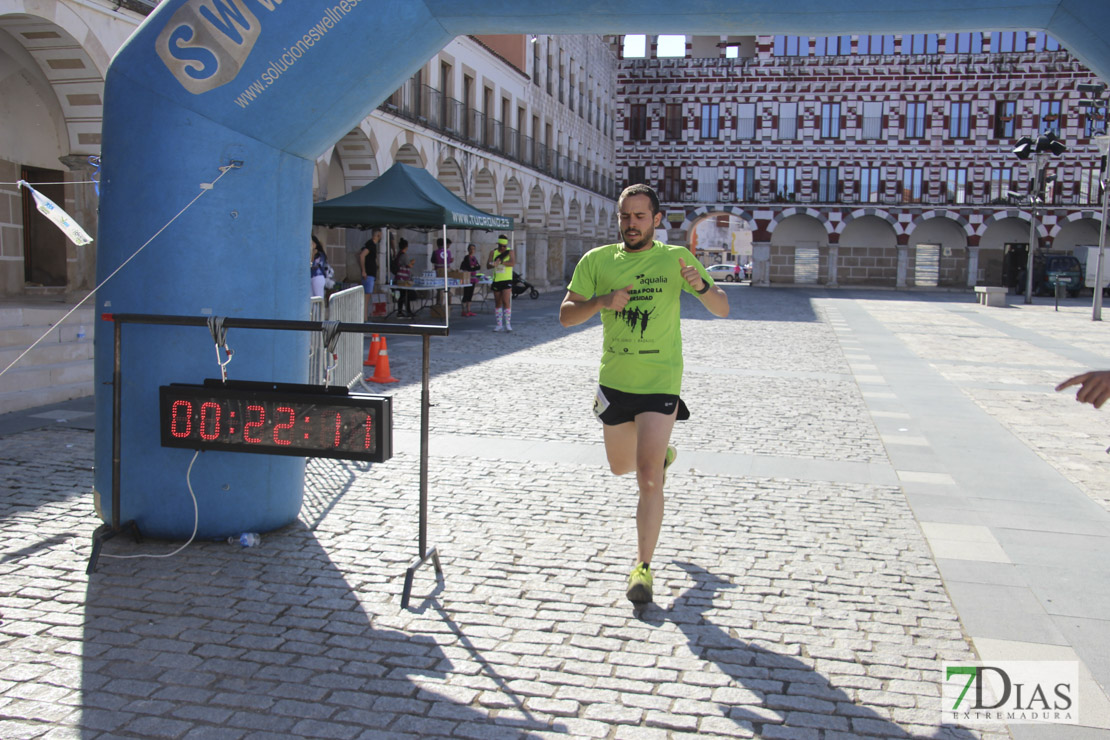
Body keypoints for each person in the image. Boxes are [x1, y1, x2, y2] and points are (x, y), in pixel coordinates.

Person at [559, 183, 729, 605]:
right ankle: (663, 454)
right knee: (622, 468)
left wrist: (702, 286)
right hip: (615, 380)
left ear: (656, 219)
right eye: (624, 216)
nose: (630, 224)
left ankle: (642, 568)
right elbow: (565, 316)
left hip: (660, 380)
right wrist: (601, 301)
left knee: (648, 477)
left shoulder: (676, 259)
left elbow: (723, 307)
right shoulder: (596, 261)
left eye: (639, 217)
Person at [487, 234, 514, 331]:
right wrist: (493, 264)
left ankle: (508, 324)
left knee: (506, 301)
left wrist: (501, 262)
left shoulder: (510, 252)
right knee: (497, 302)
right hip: (497, 279)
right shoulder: (492, 252)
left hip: (506, 279)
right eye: (500, 246)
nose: (502, 248)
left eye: (504, 246)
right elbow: (488, 265)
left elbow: (512, 263)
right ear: (498, 244)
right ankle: (499, 324)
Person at [359, 228, 381, 320]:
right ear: (378, 235)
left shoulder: (370, 244)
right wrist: (363, 270)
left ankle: (365, 317)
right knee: (366, 298)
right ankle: (364, 319)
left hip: (370, 274)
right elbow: (361, 255)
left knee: (367, 297)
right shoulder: (371, 245)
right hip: (368, 274)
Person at [391, 238, 416, 318]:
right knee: (405, 295)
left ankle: (401, 311)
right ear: (406, 247)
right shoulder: (404, 255)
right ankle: (406, 311)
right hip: (403, 278)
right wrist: (412, 262)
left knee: (402, 295)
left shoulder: (398, 255)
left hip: (399, 278)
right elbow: (409, 265)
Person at [459, 243, 482, 317]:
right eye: (471, 249)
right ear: (468, 250)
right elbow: (469, 267)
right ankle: (463, 310)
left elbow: (478, 267)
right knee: (466, 294)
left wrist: (474, 267)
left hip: (473, 278)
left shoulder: (474, 258)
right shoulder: (467, 258)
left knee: (470, 295)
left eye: (473, 249)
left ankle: (469, 310)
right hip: (467, 278)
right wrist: (474, 267)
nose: (472, 250)